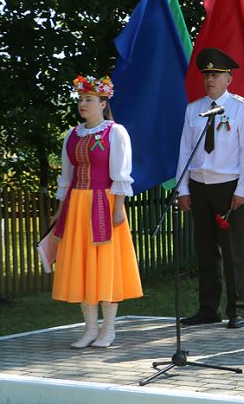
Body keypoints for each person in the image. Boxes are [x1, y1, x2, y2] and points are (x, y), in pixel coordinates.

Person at [50, 75, 143, 348]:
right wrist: (59, 209)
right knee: (82, 266)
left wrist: (118, 208)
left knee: (104, 266)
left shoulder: (115, 132)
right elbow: (66, 176)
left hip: (103, 204)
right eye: (80, 99)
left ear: (103, 103)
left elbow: (121, 174)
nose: (83, 104)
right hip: (76, 206)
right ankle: (90, 328)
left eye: (88, 99)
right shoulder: (72, 134)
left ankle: (109, 329)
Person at [178, 48, 244, 329]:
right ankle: (208, 308)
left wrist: (243, 189)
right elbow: (185, 150)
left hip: (228, 186)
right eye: (207, 75)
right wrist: (183, 188)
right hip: (200, 185)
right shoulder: (193, 109)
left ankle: (238, 309)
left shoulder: (240, 107)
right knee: (205, 249)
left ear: (229, 79)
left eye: (216, 74)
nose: (210, 79)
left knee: (233, 250)